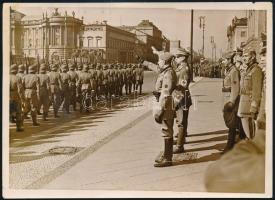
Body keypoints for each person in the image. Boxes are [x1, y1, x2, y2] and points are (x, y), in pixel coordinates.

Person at [142, 51, 177, 167]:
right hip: (165, 103)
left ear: (165, 61)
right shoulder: (166, 71)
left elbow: (166, 94)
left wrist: (160, 110)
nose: (158, 62)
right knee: (166, 130)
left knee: (167, 130)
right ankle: (167, 155)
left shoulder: (168, 74)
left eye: (160, 60)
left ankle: (168, 159)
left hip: (166, 106)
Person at [237, 50, 263, 139]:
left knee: (252, 129)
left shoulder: (256, 70)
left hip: (250, 103)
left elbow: (256, 91)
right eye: (243, 56)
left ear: (252, 57)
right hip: (244, 102)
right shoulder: (248, 69)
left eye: (246, 56)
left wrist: (254, 107)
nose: (244, 58)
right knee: (244, 122)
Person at [171, 48, 192, 154]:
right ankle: (181, 139)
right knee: (182, 120)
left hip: (182, 98)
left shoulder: (184, 69)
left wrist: (175, 101)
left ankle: (179, 146)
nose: (176, 58)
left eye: (178, 56)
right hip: (183, 97)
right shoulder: (181, 67)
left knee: (181, 122)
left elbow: (182, 86)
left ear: (183, 57)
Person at [222, 52, 240, 152]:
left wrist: (232, 102)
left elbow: (235, 88)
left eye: (224, 59)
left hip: (230, 101)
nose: (223, 61)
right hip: (226, 99)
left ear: (229, 60)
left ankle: (230, 146)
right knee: (230, 124)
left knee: (232, 124)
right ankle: (230, 145)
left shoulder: (234, 71)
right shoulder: (228, 70)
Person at [10, 64, 25, 131]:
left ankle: (11, 119)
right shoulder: (17, 78)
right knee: (18, 112)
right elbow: (20, 90)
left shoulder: (5, 76)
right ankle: (18, 127)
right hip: (15, 95)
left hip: (7, 95)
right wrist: (22, 99)